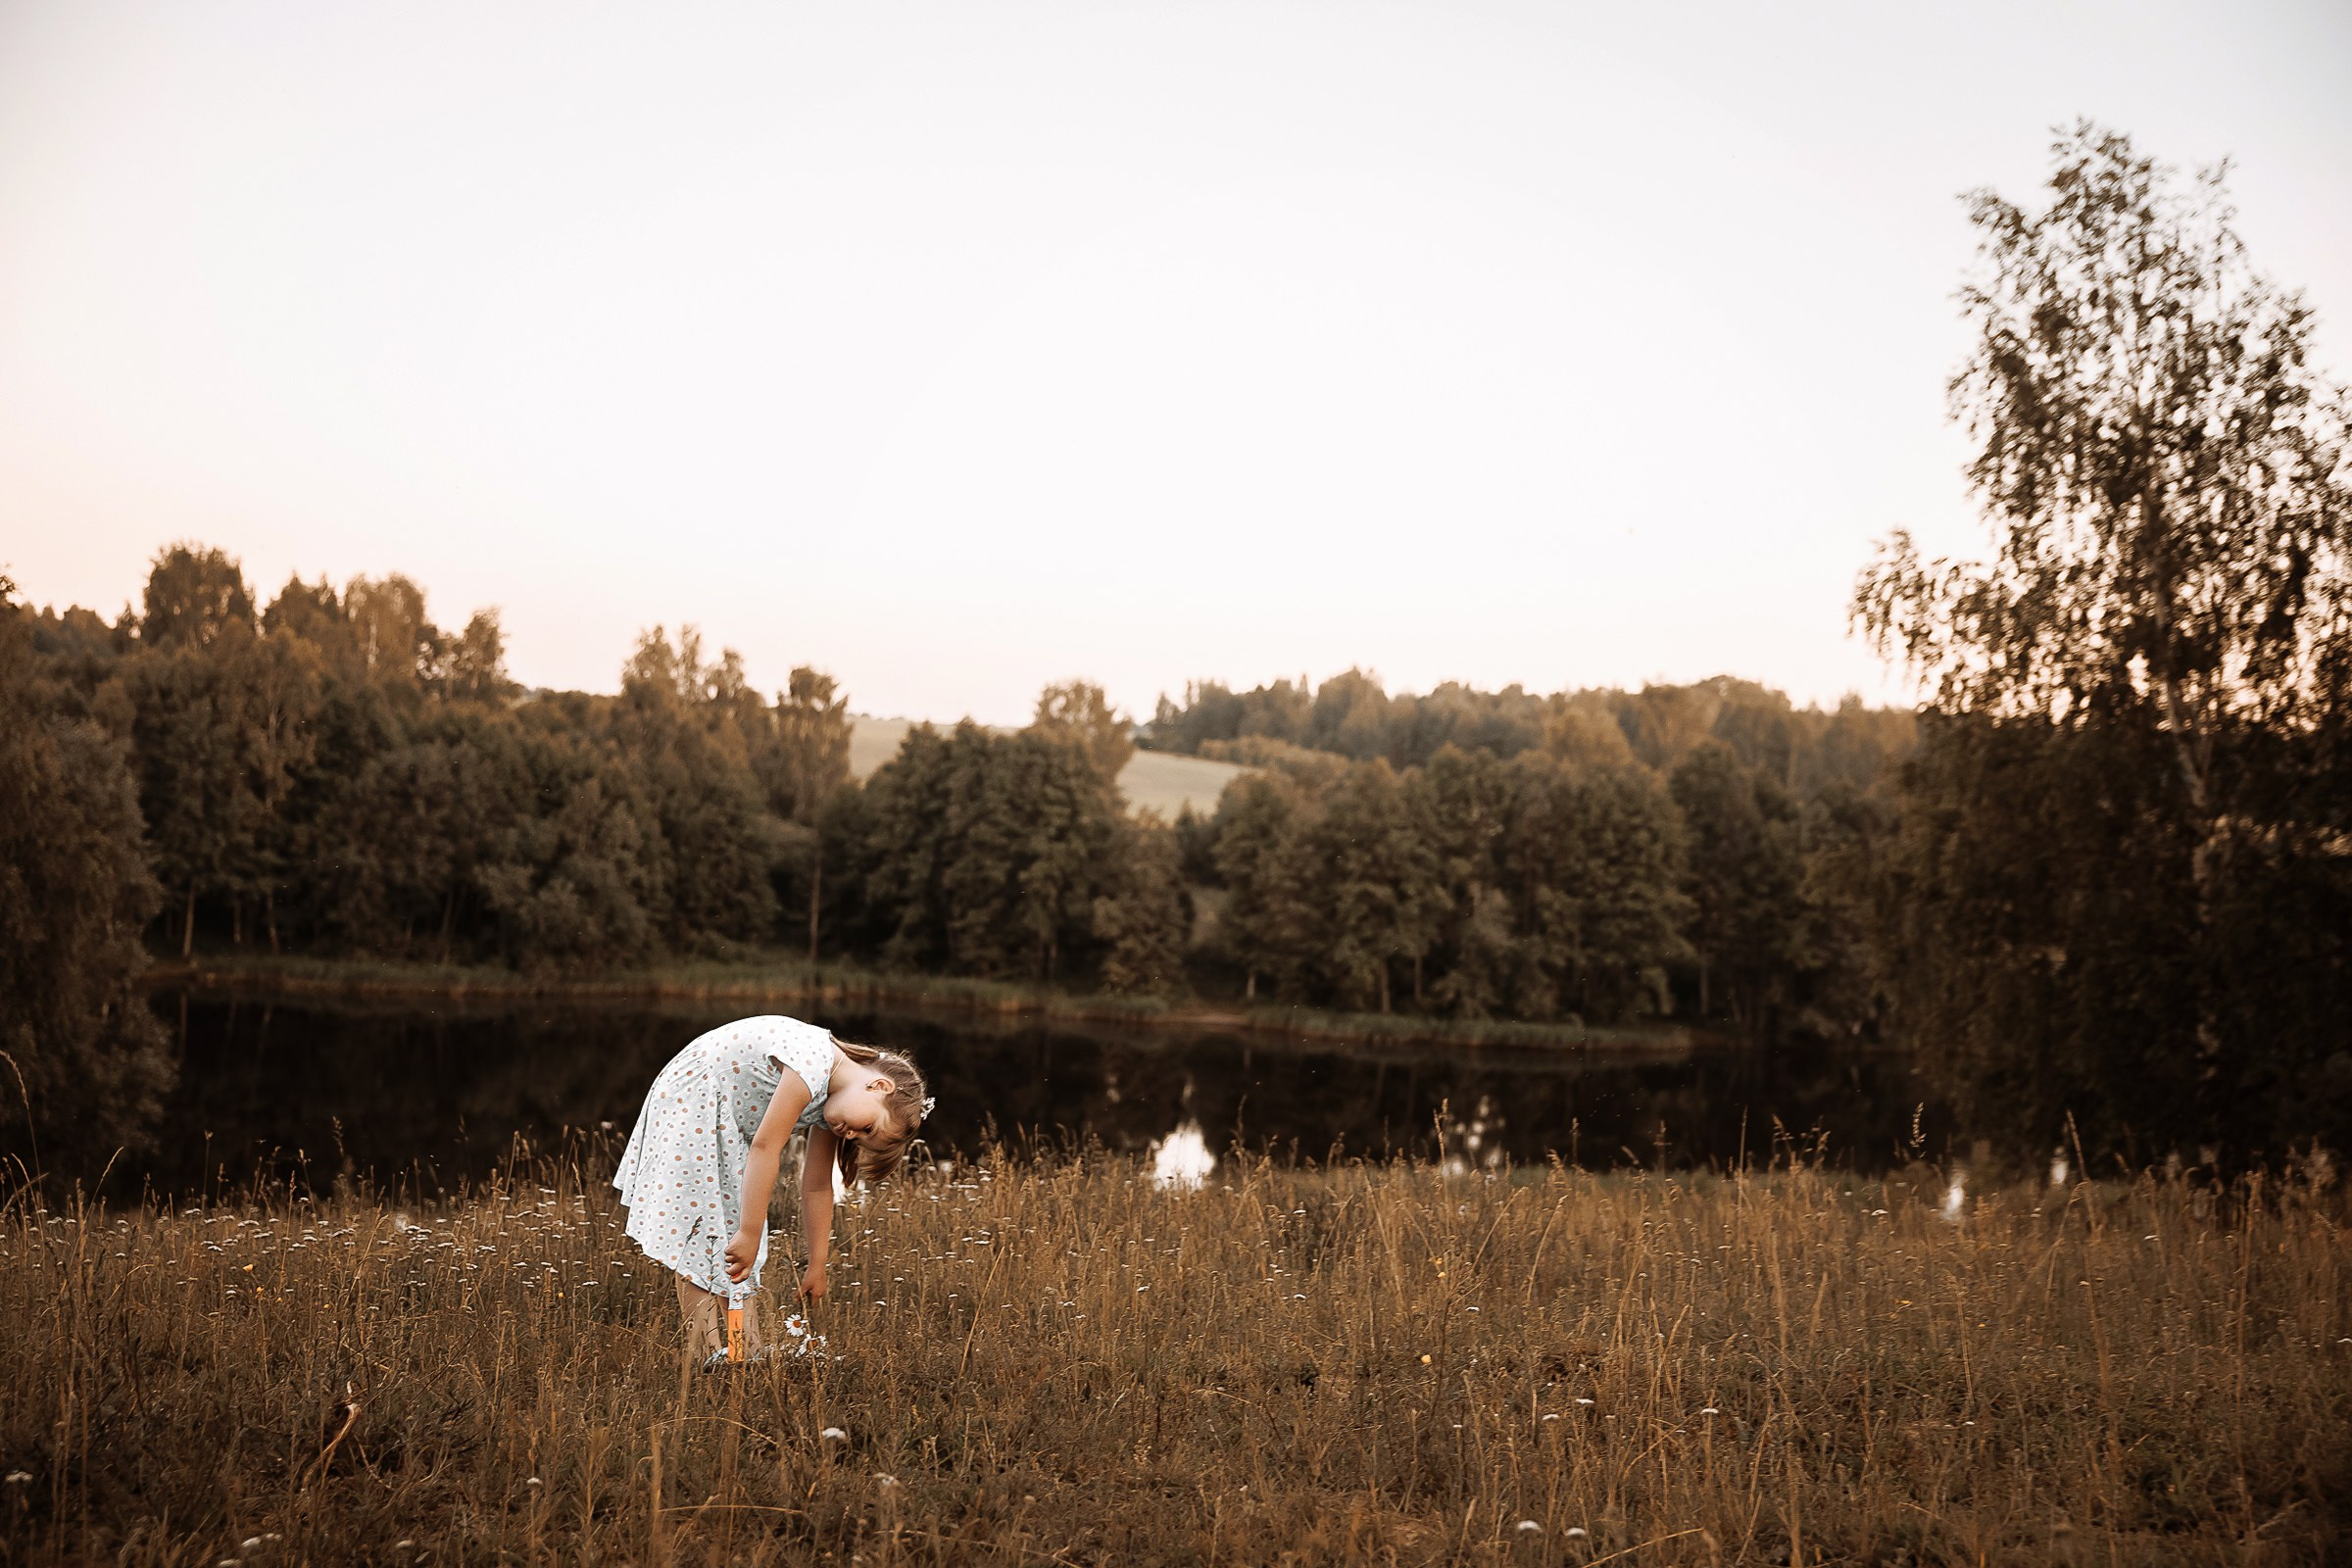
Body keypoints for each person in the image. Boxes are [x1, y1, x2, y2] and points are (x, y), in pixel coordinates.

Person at [612, 1014, 929, 1366]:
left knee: (738, 1241)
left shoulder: (833, 1103)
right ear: (879, 1086)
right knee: (703, 1232)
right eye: (868, 1128)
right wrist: (748, 1231)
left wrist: (817, 1264)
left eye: (861, 1139)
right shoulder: (813, 1063)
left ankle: (742, 1350)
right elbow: (765, 1148)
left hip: (729, 1125)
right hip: (696, 1098)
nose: (852, 1135)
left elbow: (817, 1186)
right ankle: (704, 1352)